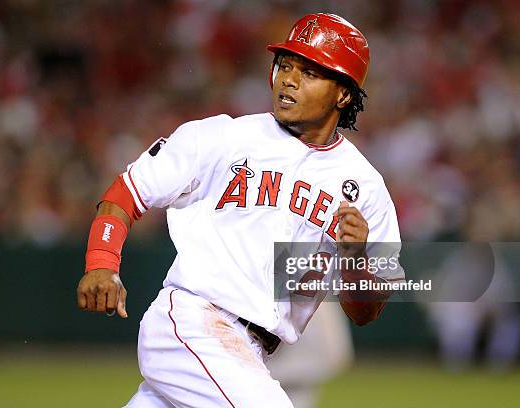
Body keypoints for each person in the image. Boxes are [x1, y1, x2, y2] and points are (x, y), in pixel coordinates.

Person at [77, 13, 404, 407]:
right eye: (285, 65)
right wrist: (101, 263)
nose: (288, 79)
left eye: (309, 72)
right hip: (194, 323)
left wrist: (353, 259)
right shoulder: (224, 137)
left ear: (344, 94)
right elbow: (126, 193)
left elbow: (366, 311)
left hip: (250, 352)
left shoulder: (365, 188)